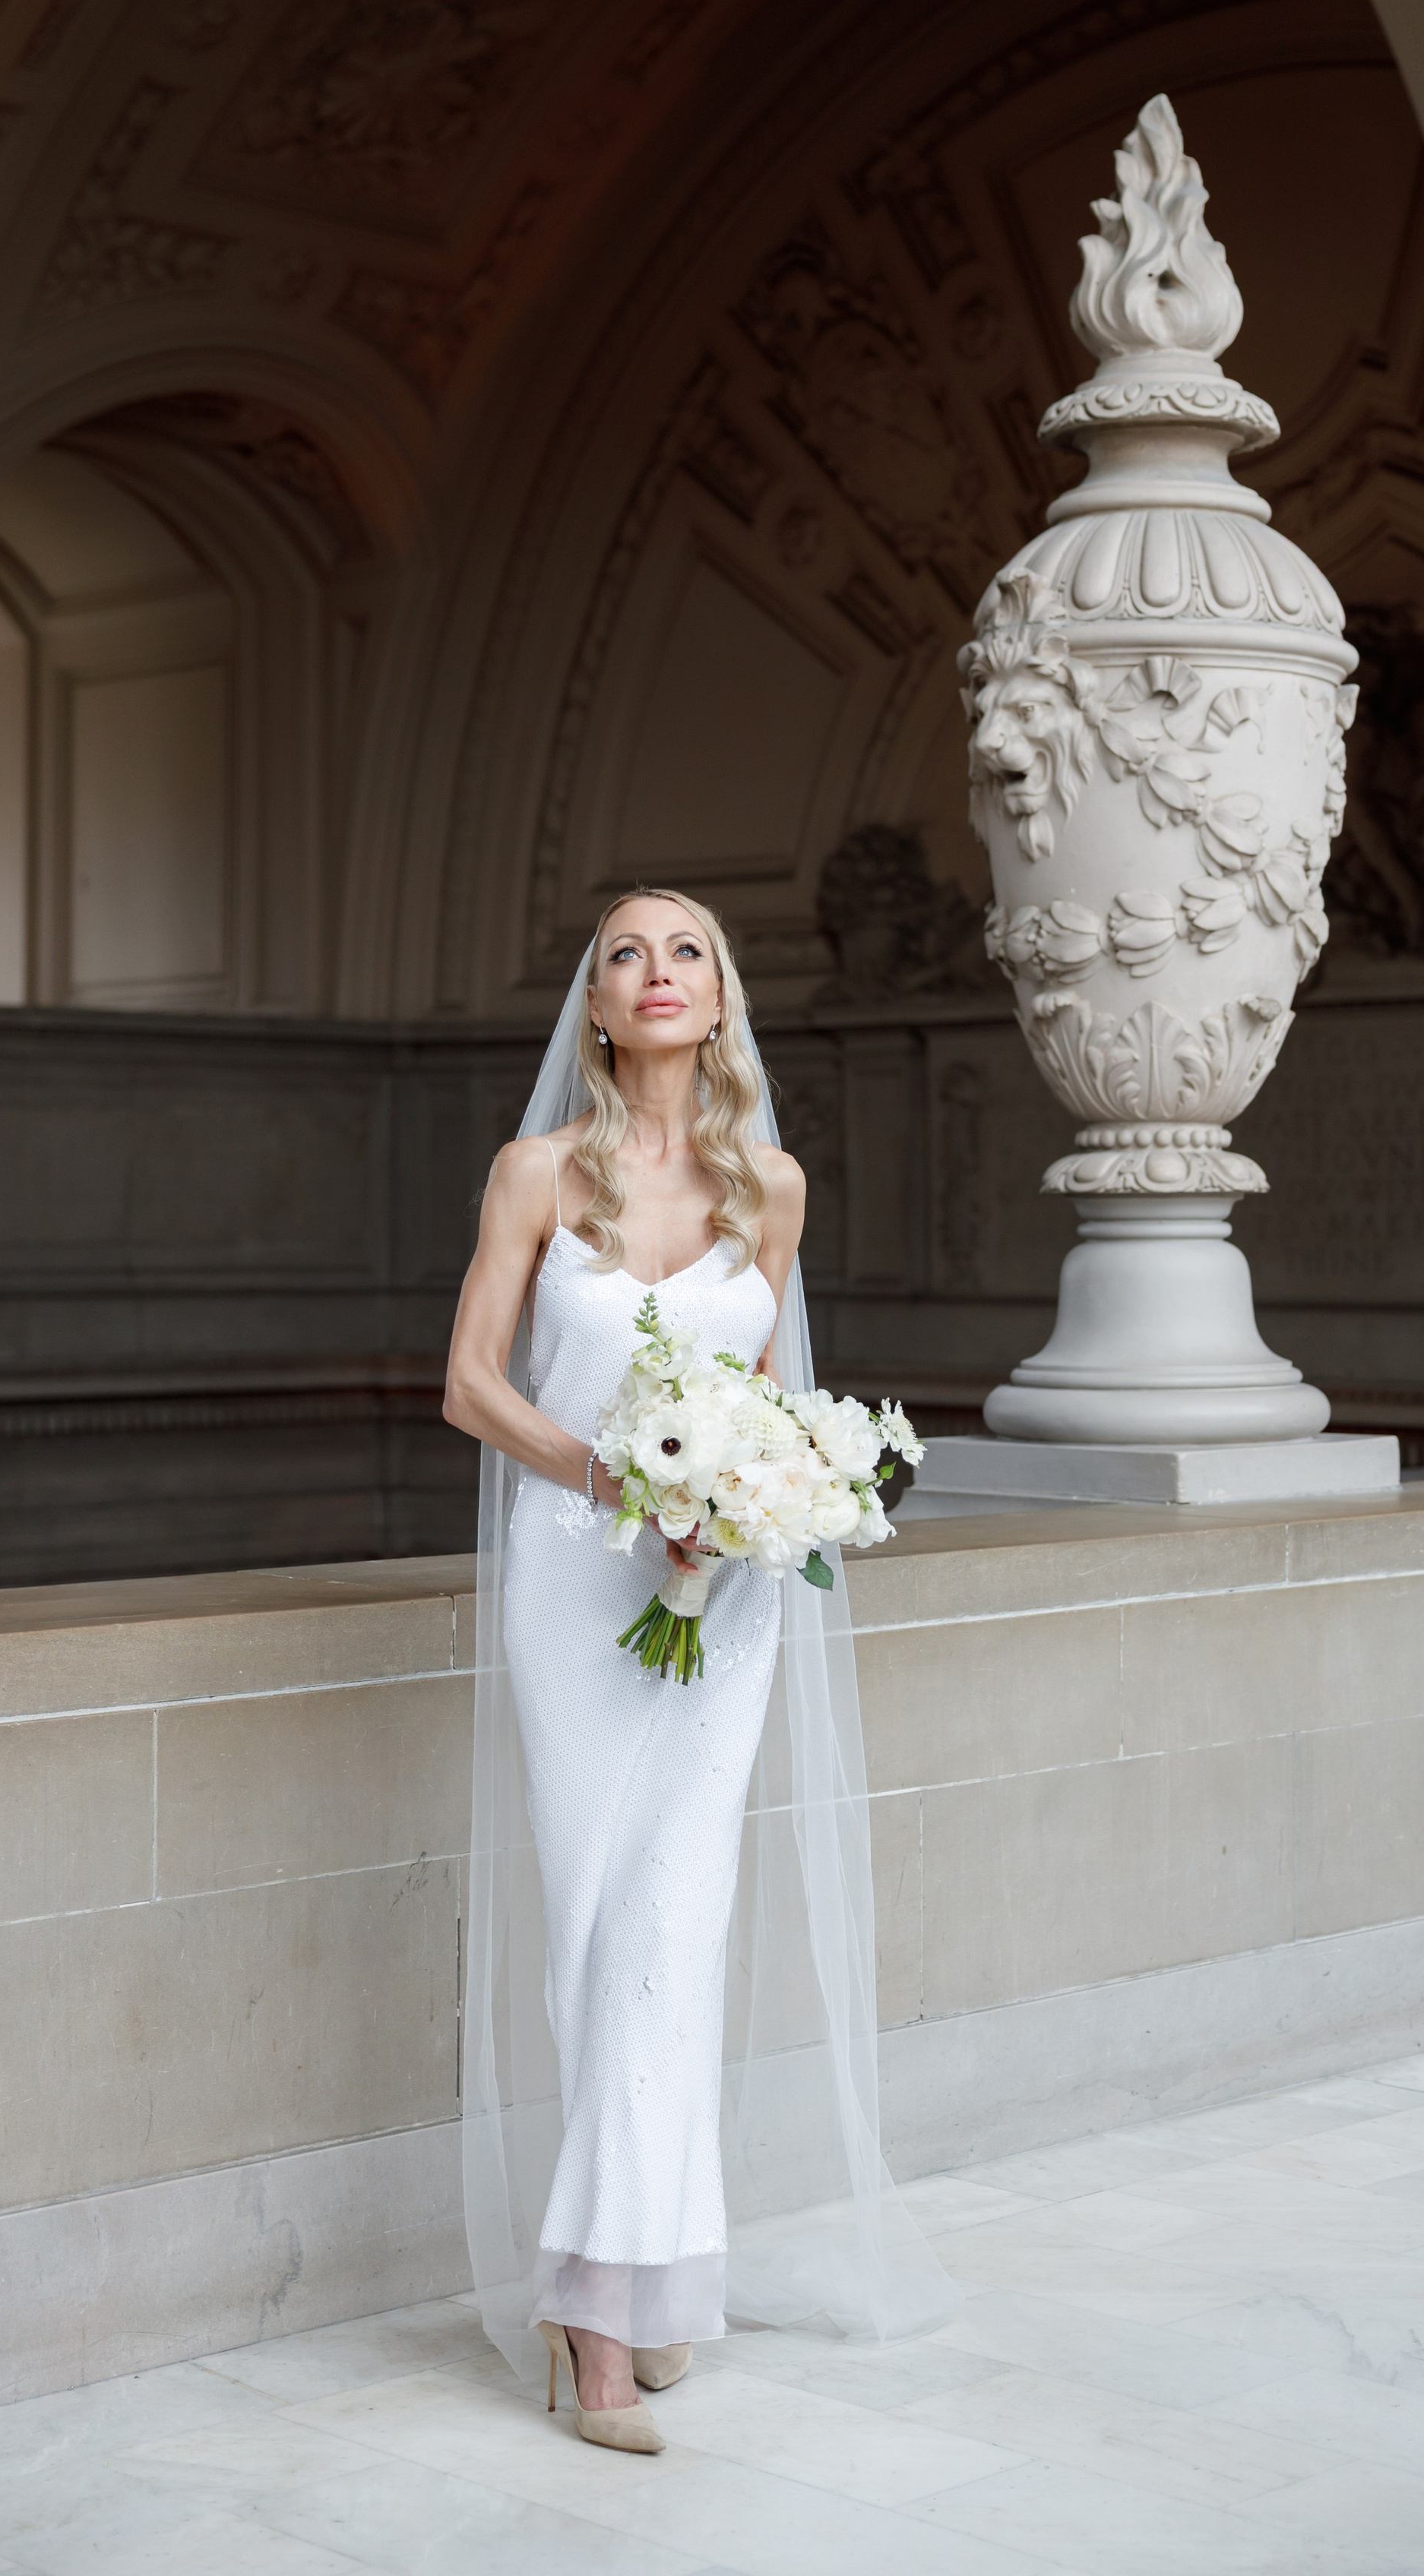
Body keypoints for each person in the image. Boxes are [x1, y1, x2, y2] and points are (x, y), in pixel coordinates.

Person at [444, 887, 950, 2454]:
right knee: (595, 1930)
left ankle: (620, 2298)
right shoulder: (535, 1173)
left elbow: (766, 1401)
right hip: (570, 1584)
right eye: (626, 953)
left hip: (719, 1603)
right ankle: (607, 2297)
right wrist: (609, 1477)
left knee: (676, 1932)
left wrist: (757, 1500)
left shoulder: (769, 1188)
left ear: (720, 1002)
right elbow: (469, 1384)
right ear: (596, 1009)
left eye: (687, 953)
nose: (657, 972)